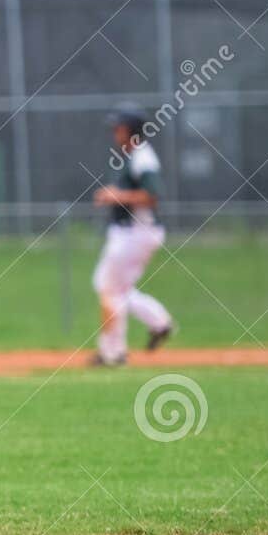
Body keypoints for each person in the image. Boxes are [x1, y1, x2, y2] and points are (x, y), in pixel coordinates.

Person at [90, 105, 175, 366]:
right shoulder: (135, 155)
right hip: (135, 233)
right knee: (118, 289)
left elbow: (152, 196)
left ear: (130, 130)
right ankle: (159, 322)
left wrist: (117, 195)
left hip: (136, 233)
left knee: (108, 288)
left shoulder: (142, 158)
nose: (115, 132)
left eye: (119, 128)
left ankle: (112, 353)